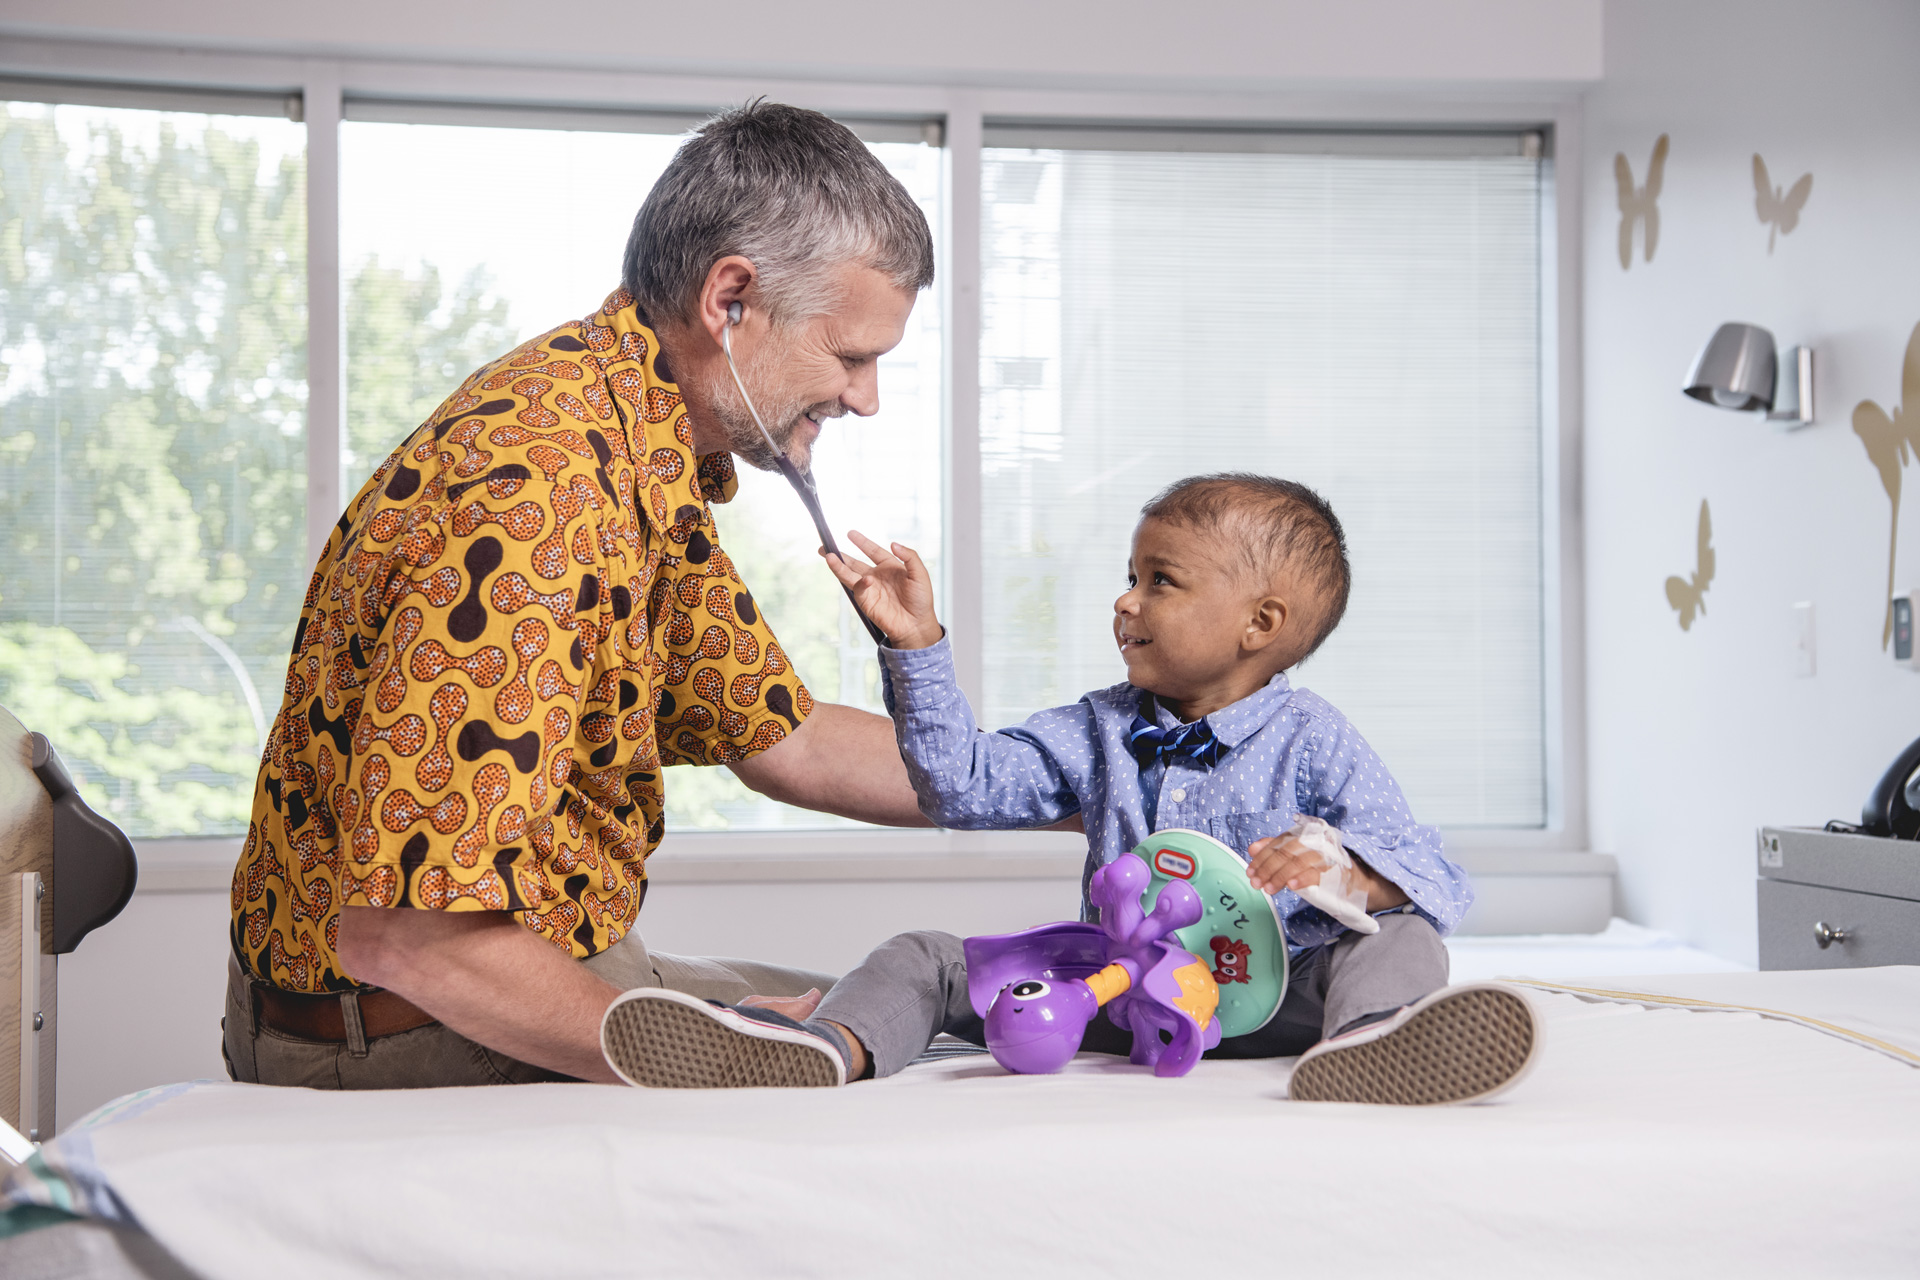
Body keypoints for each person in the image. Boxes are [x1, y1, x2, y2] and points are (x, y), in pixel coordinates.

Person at [223, 101, 939, 1088]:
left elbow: (791, 739)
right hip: (418, 1018)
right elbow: (406, 939)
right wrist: (713, 1054)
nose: (864, 397)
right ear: (729, 299)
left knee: (898, 1014)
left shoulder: (637, 442)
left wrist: (1089, 778)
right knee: (862, 1079)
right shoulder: (543, 495)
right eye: (850, 354)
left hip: (522, 965)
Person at [602, 473, 1540, 1104]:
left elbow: (1431, 873)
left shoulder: (1313, 736)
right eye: (1128, 577)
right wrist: (916, 651)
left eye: (1160, 580)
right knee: (926, 956)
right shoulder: (1097, 728)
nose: (1127, 600)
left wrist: (1341, 870)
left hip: (1277, 996)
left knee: (1405, 936)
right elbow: (963, 786)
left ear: (1262, 622)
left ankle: (1374, 1045)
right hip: (1118, 987)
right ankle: (821, 1050)